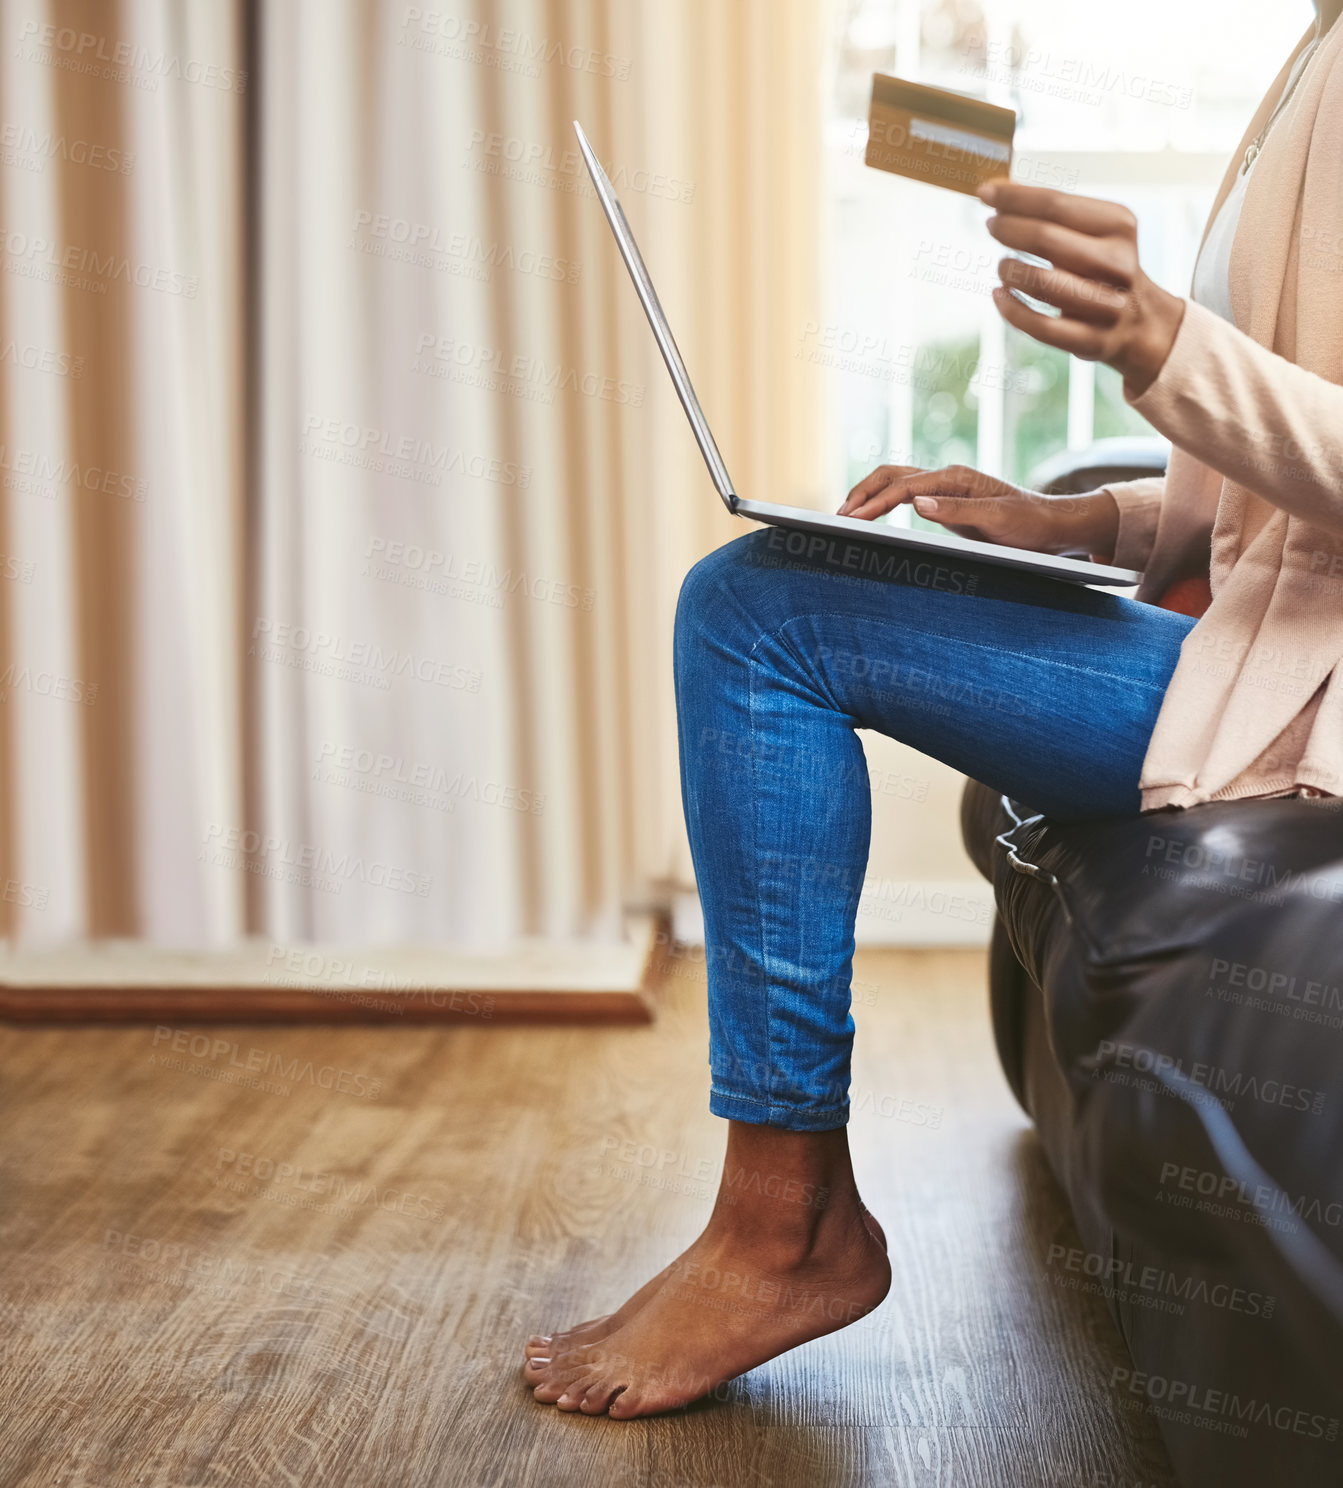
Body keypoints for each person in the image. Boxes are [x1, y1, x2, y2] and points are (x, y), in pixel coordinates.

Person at [524, 0, 1343, 1418]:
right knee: (763, 596)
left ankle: (782, 1231)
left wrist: (1158, 337)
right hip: (1246, 640)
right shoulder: (1318, 50)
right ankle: (785, 1216)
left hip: (1307, 693)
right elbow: (1284, 499)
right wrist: (1080, 519)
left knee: (758, 614)